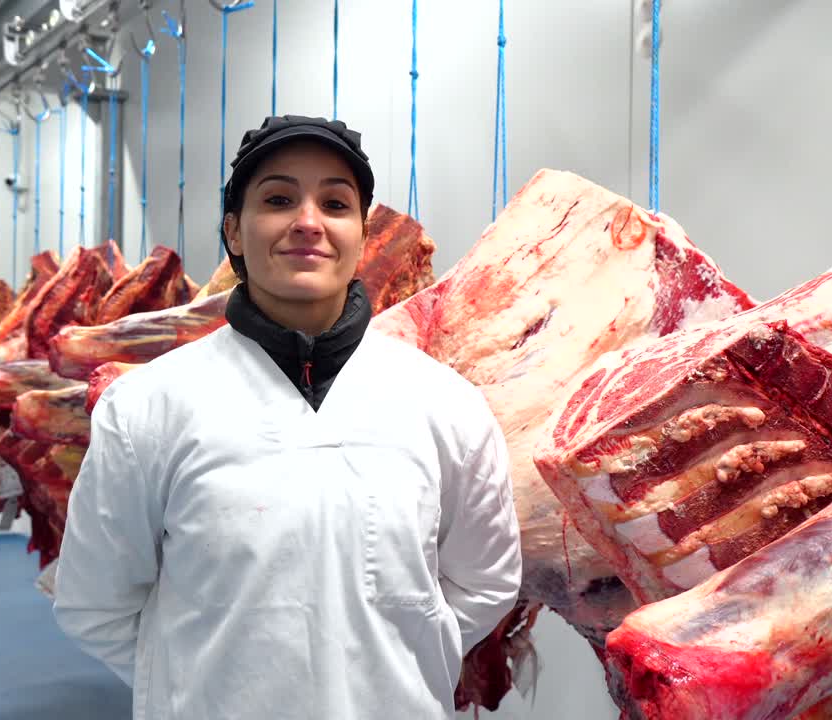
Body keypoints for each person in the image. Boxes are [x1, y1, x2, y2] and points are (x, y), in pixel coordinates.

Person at [53, 114, 522, 720]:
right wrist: (193, 684)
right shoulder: (149, 405)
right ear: (234, 231)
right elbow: (96, 601)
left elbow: (485, 582)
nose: (308, 222)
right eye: (278, 200)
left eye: (335, 203)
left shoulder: (445, 403)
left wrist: (396, 669)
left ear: (361, 235)